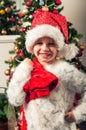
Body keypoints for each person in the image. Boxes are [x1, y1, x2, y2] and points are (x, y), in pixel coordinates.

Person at [7, 9, 86, 130]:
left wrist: (78, 114)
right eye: (39, 43)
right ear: (32, 46)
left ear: (58, 47)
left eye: (51, 44)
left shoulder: (64, 70)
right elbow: (15, 99)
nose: (45, 48)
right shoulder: (27, 68)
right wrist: (23, 70)